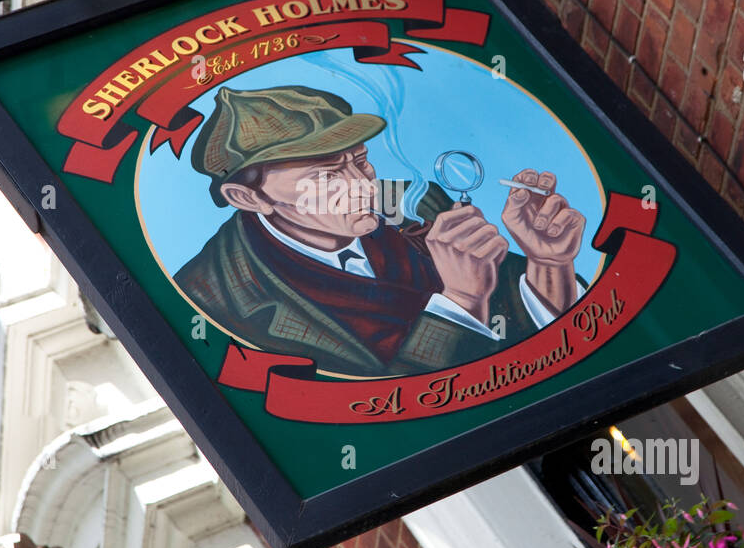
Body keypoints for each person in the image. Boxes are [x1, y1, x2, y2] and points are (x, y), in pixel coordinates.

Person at [175, 84, 586, 377]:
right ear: (250, 198)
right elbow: (385, 409)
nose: (363, 186)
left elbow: (536, 331)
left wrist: (549, 262)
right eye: (325, 175)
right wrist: (460, 302)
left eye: (360, 160)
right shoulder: (216, 299)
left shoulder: (413, 204)